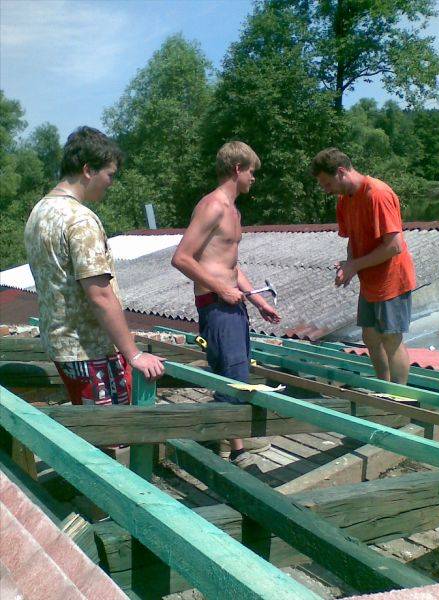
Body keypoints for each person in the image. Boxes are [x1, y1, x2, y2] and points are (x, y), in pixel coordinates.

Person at [24, 126, 165, 407]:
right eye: (109, 174)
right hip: (90, 349)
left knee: (89, 424)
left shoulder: (39, 212)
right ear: (88, 170)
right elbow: (100, 295)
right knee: (112, 429)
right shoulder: (80, 220)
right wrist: (134, 354)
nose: (111, 183)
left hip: (62, 345)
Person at [171, 141, 281, 468]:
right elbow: (181, 258)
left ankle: (233, 439)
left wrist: (257, 301)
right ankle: (235, 451)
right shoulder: (213, 206)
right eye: (251, 171)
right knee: (231, 376)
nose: (253, 178)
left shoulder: (233, 210)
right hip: (216, 304)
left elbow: (231, 265)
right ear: (237, 169)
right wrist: (221, 288)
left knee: (237, 371)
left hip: (232, 302)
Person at [310, 147, 416, 385]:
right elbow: (353, 238)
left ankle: (398, 396)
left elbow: (394, 246)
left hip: (392, 278)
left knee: (390, 337)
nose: (327, 190)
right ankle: (383, 388)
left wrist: (354, 265)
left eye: (327, 184)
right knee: (370, 337)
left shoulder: (377, 194)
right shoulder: (344, 200)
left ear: (341, 172)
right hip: (370, 280)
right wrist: (349, 265)